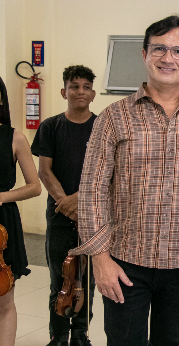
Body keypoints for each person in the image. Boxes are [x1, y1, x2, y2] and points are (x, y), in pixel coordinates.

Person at [68, 15, 179, 346]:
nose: (167, 58)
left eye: (178, 51)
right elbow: (92, 191)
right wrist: (99, 258)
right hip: (124, 264)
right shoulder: (114, 116)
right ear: (144, 54)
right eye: (159, 48)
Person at [31, 65, 97, 346]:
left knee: (87, 280)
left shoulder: (102, 126)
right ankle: (57, 335)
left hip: (94, 217)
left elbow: (109, 172)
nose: (79, 91)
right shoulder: (51, 126)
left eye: (85, 86)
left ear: (92, 93)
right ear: (64, 91)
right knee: (60, 278)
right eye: (74, 86)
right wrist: (66, 203)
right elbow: (44, 171)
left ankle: (80, 334)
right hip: (59, 216)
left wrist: (81, 199)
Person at [0, 76, 41, 346]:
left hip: (2, 224)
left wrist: (2, 196)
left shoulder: (14, 137)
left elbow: (34, 186)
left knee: (4, 301)